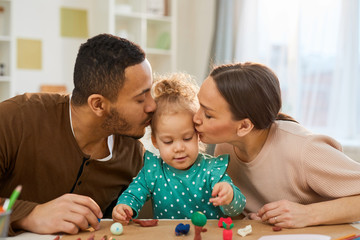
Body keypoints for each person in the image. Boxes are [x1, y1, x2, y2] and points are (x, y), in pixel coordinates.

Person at [0, 33, 156, 235]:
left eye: (150, 92)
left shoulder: (133, 155)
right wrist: (30, 215)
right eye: (140, 99)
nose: (153, 105)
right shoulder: (16, 118)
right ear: (98, 104)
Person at [193, 62, 360, 228]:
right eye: (198, 105)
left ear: (244, 126)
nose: (196, 119)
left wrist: (308, 214)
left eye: (208, 114)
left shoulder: (304, 149)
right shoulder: (225, 147)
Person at [112, 73, 246, 224]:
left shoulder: (212, 170)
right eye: (168, 141)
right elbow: (133, 195)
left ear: (197, 135)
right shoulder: (153, 171)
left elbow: (238, 208)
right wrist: (124, 206)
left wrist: (230, 196)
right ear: (156, 142)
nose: (179, 148)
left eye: (187, 138)